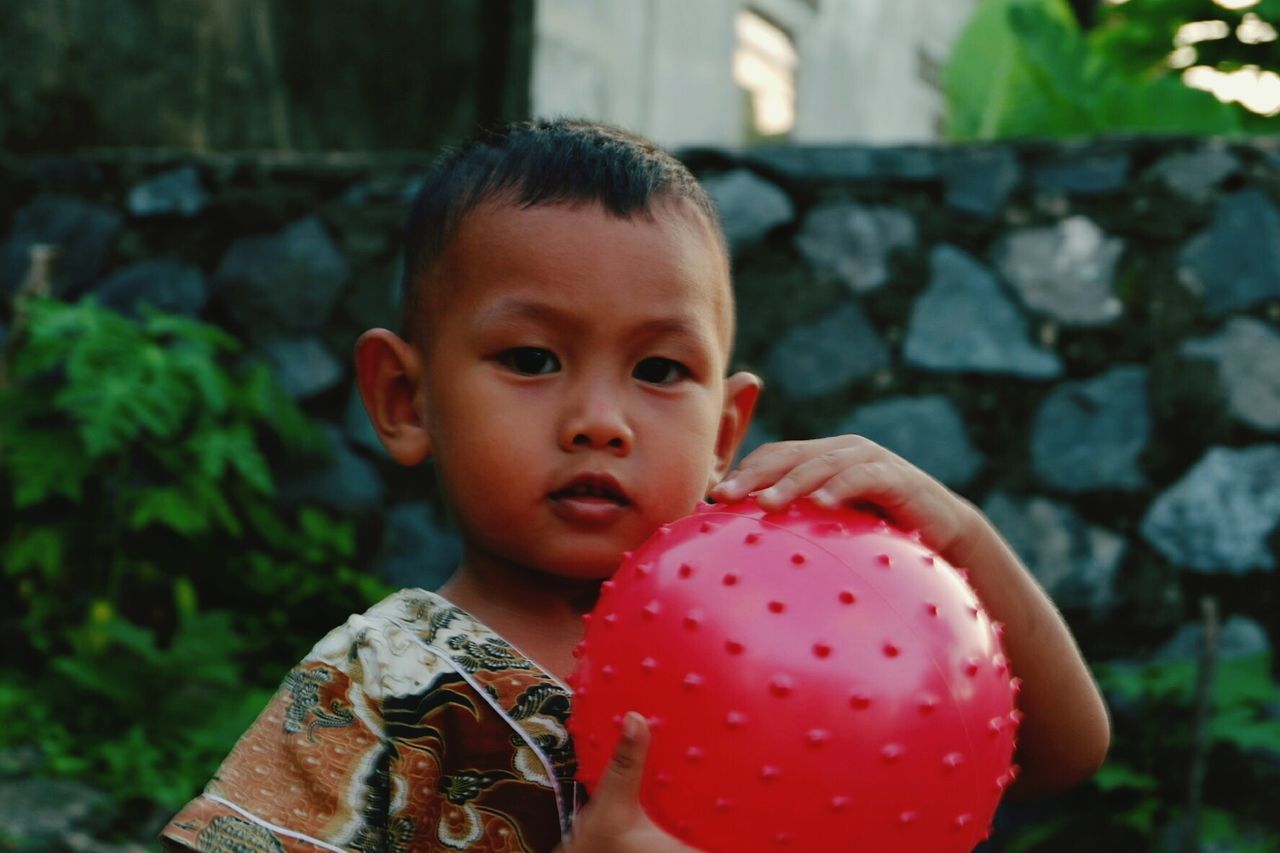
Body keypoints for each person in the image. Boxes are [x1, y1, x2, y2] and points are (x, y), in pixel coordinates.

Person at [161, 119, 1109, 852]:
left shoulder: (781, 634)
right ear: (405, 398)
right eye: (532, 357)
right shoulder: (383, 684)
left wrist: (965, 544)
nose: (601, 419)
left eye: (659, 372)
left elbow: (1059, 756)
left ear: (725, 430)